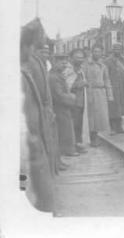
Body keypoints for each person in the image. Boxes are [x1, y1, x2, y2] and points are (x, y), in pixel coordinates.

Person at [20, 21, 55, 212]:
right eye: (31, 45)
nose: (32, 50)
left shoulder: (29, 67)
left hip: (33, 139)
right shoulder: (19, 74)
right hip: (26, 143)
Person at [82, 45, 113, 147]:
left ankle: (96, 135)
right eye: (95, 51)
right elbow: (83, 78)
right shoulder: (86, 65)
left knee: (100, 116)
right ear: (92, 52)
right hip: (90, 91)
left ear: (101, 53)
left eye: (99, 52)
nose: (97, 53)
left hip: (101, 92)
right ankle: (92, 138)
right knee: (91, 116)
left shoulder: (103, 66)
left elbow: (107, 80)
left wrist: (109, 95)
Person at [48, 54, 78, 156]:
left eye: (65, 63)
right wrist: (72, 97)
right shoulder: (53, 77)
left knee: (66, 128)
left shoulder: (57, 75)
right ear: (54, 63)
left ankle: (68, 150)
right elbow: (59, 95)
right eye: (62, 63)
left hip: (63, 106)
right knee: (64, 129)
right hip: (59, 107)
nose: (64, 66)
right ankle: (67, 151)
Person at [104, 43, 124, 134]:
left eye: (119, 49)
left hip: (123, 87)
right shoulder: (108, 61)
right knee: (112, 108)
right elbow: (106, 75)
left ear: (121, 50)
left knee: (121, 107)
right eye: (115, 48)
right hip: (112, 87)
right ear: (112, 50)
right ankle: (112, 128)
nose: (117, 50)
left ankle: (119, 127)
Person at [68, 49, 88, 154]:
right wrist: (79, 84)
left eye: (81, 57)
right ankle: (72, 145)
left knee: (79, 124)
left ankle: (78, 144)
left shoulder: (81, 70)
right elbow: (66, 85)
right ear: (71, 58)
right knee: (72, 124)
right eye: (77, 57)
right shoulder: (68, 70)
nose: (80, 60)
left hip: (81, 101)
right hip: (72, 102)